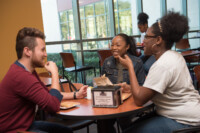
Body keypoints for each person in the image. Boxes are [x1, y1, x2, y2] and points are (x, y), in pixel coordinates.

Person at [118, 11, 200, 133]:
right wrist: (130, 88)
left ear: (158, 40)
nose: (143, 41)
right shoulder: (174, 56)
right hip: (189, 113)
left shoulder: (162, 64)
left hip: (184, 120)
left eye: (147, 36)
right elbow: (156, 88)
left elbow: (140, 100)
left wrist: (130, 66)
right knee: (129, 125)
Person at [0, 27, 77, 133]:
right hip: (14, 130)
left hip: (25, 125)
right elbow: (53, 106)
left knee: (66, 131)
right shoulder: (21, 76)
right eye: (42, 50)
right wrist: (54, 73)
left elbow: (48, 95)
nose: (45, 54)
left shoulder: (26, 71)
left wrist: (75, 95)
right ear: (27, 51)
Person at [101, 33, 146, 133]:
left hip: (130, 101)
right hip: (111, 101)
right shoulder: (107, 62)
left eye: (118, 45)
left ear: (127, 47)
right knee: (102, 119)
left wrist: (129, 88)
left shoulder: (136, 62)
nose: (114, 48)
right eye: (112, 45)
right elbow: (102, 83)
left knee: (122, 116)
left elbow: (142, 88)